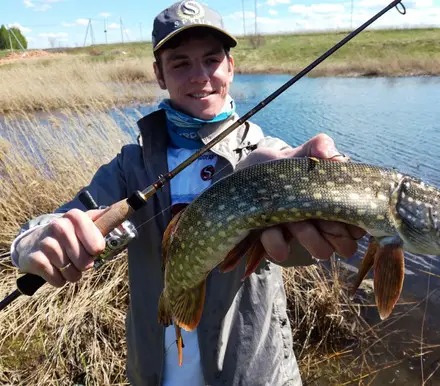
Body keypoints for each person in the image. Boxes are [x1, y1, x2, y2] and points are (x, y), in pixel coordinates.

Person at [10, 1, 365, 385]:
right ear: (159, 75)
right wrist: (35, 242)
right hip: (156, 371)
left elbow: (295, 252)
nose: (200, 77)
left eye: (211, 60)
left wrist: (316, 218)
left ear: (230, 66)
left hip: (251, 373)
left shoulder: (267, 156)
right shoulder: (132, 165)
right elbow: (52, 222)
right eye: (180, 64)